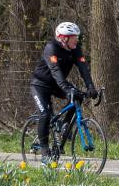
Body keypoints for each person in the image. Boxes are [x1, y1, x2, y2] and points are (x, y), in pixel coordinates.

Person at [29, 21, 100, 160]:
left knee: (78, 97)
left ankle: (64, 126)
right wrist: (68, 89)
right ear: (63, 38)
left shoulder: (75, 49)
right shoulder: (51, 48)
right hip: (40, 85)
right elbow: (55, 71)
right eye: (74, 37)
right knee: (45, 113)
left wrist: (90, 87)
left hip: (57, 85)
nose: (77, 40)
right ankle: (44, 151)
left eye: (77, 37)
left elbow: (83, 68)